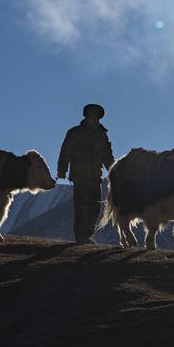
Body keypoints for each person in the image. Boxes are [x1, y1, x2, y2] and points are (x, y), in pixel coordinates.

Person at [57, 104, 115, 243]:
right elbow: (65, 151)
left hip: (96, 176)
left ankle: (87, 235)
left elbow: (107, 156)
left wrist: (114, 171)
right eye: (91, 114)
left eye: (96, 115)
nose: (93, 117)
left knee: (95, 207)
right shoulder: (75, 132)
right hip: (80, 175)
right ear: (86, 115)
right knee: (82, 206)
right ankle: (81, 237)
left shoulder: (102, 135)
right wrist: (62, 169)